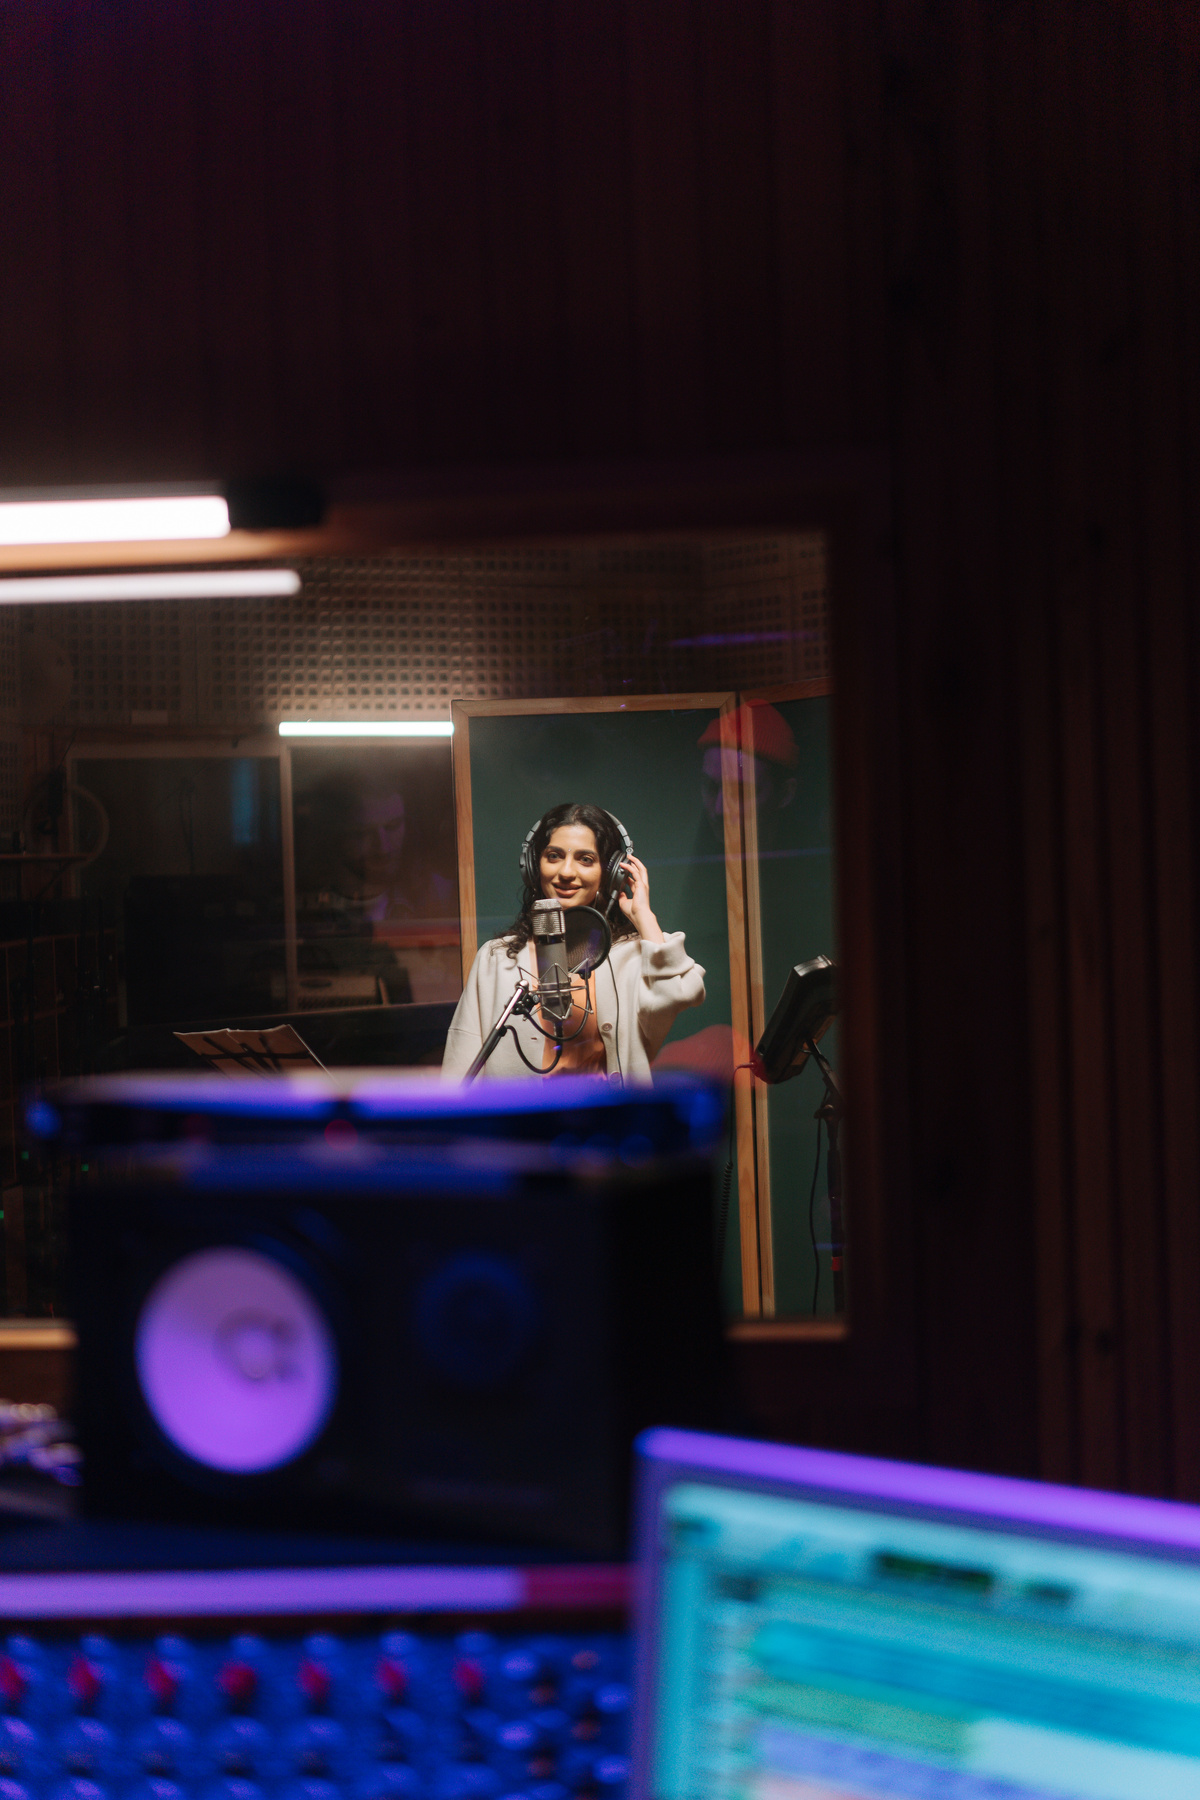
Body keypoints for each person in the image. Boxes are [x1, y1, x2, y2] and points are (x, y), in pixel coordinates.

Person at [442, 801, 706, 1082]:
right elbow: (460, 1066)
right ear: (533, 866)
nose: (566, 872)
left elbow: (682, 992)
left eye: (585, 859)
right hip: (523, 1124)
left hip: (604, 1122)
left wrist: (644, 917)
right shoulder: (497, 959)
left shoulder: (629, 956)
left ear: (612, 872)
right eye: (554, 856)